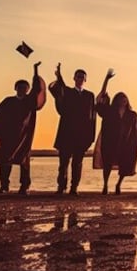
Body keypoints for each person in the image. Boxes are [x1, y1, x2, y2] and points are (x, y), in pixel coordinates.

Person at [0, 62, 46, 195]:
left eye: (25, 87)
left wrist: (35, 71)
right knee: (5, 161)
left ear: (27, 89)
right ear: (15, 88)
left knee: (24, 161)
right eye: (20, 87)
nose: (22, 89)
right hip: (8, 136)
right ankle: (4, 186)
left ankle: (24, 187)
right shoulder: (8, 101)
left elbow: (37, 89)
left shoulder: (29, 101)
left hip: (24, 137)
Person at [93, 70, 137, 194]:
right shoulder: (109, 111)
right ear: (116, 100)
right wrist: (106, 80)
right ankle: (105, 185)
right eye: (120, 98)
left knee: (126, 166)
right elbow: (100, 99)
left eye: (125, 99)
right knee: (108, 165)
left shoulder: (132, 115)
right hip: (110, 142)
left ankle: (118, 184)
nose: (123, 101)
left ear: (127, 101)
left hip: (126, 144)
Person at [49, 63, 96, 195]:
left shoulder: (89, 96)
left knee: (77, 164)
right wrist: (59, 76)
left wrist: (90, 137)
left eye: (82, 77)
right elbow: (59, 89)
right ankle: (61, 187)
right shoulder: (68, 92)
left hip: (82, 136)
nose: (80, 79)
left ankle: (74, 187)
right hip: (66, 134)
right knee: (63, 163)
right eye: (78, 77)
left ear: (85, 80)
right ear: (74, 78)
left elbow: (92, 117)